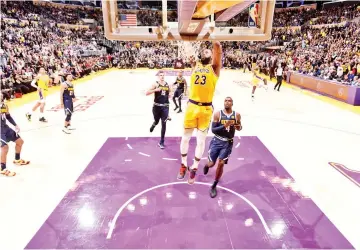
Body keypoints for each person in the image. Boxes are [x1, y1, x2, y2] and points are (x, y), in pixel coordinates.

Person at [177, 41, 222, 184]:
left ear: (211, 56)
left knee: (200, 141)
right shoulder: (195, 65)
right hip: (192, 106)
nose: (206, 52)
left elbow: (218, 48)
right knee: (185, 138)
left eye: (208, 51)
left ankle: (194, 167)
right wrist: (188, 36)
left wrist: (213, 37)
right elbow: (189, 48)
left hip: (206, 109)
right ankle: (184, 164)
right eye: (204, 51)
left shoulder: (214, 68)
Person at [203, 97, 242, 198]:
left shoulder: (236, 115)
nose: (227, 102)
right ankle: (207, 166)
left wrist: (238, 127)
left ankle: (214, 185)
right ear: (224, 102)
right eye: (226, 100)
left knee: (221, 163)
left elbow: (240, 127)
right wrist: (225, 125)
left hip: (228, 143)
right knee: (211, 164)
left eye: (229, 101)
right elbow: (213, 130)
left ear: (232, 103)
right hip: (217, 141)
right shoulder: (218, 114)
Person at [1, 94, 30, 177]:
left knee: (20, 141)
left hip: (5, 128)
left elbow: (8, 117)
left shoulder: (4, 105)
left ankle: (17, 159)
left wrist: (15, 125)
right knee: (5, 147)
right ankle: (3, 168)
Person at [146, 71, 171, 149]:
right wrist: (155, 90)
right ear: (158, 76)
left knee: (164, 124)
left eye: (163, 75)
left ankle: (162, 141)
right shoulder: (155, 84)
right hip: (156, 107)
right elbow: (147, 92)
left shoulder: (167, 85)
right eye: (160, 75)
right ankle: (154, 124)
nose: (162, 76)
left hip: (165, 107)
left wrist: (170, 95)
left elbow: (169, 94)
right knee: (157, 121)